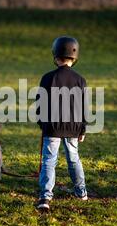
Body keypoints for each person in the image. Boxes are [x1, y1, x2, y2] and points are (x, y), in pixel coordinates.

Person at [36, 36, 88, 211]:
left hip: (52, 127)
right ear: (74, 56)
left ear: (55, 55)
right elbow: (83, 107)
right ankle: (81, 192)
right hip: (73, 127)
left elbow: (40, 104)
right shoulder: (80, 80)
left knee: (49, 160)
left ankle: (45, 196)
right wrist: (83, 128)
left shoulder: (47, 78)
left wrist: (42, 124)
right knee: (73, 159)